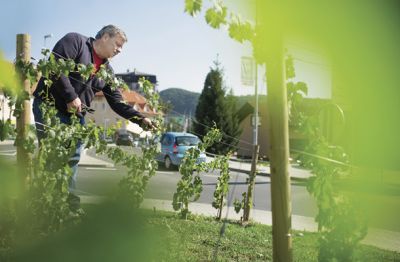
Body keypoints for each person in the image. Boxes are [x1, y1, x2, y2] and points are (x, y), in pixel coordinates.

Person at [32, 25, 155, 211]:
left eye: (122, 48)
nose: (119, 50)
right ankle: (44, 205)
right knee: (52, 158)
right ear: (105, 37)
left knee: (71, 160)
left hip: (76, 117)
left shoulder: (107, 71)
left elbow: (116, 102)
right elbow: (55, 67)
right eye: (118, 44)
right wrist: (71, 96)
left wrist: (140, 119)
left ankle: (69, 207)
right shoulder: (75, 42)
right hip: (49, 107)